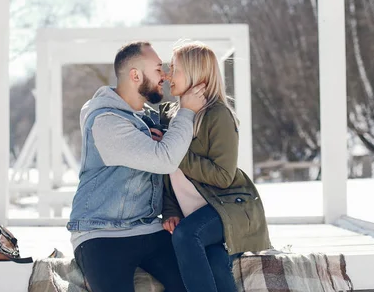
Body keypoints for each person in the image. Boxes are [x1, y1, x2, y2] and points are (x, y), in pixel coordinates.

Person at [68, 41, 205, 292]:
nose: (164, 75)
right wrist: (186, 112)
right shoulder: (105, 122)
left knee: (193, 283)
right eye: (157, 69)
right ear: (135, 75)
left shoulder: (146, 119)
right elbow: (164, 160)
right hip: (101, 233)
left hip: (148, 227)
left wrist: (170, 209)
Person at [159, 42, 272, 292]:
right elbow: (168, 177)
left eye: (174, 69)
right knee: (215, 261)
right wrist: (169, 211)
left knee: (186, 235)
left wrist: (175, 152)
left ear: (195, 73)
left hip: (228, 209)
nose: (167, 75)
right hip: (197, 215)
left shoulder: (217, 115)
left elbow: (222, 176)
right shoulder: (171, 116)